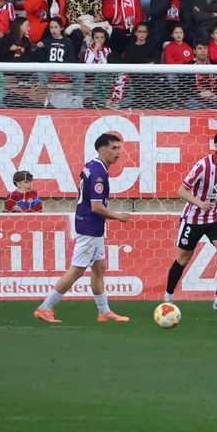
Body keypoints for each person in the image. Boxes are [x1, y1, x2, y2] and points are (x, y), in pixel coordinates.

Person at [34, 132, 132, 323]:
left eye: (120, 148)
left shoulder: (93, 166)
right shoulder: (98, 173)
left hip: (90, 224)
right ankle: (44, 308)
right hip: (90, 226)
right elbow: (96, 206)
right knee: (77, 270)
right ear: (102, 149)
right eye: (114, 148)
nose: (119, 152)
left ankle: (104, 312)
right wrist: (118, 216)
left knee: (99, 268)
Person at [161, 128, 217, 312]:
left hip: (215, 217)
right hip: (193, 219)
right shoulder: (203, 165)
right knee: (182, 259)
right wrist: (200, 203)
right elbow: (181, 190)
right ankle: (168, 296)